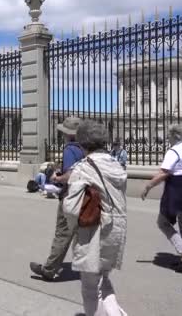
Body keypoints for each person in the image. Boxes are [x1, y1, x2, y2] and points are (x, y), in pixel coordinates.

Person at [61, 120, 128, 316]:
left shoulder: (83, 168)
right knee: (103, 280)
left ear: (82, 143)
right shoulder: (115, 163)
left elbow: (71, 209)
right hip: (117, 227)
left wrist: (74, 228)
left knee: (90, 288)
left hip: (94, 232)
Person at [142, 124, 182, 273]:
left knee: (162, 222)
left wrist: (148, 186)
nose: (168, 139)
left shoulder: (174, 151)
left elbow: (164, 172)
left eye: (169, 136)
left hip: (177, 191)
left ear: (174, 136)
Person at [30, 116, 84, 281]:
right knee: (83, 234)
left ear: (68, 134)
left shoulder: (69, 149)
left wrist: (56, 177)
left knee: (63, 233)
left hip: (70, 196)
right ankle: (89, 267)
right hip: (85, 195)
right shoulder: (86, 148)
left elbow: (70, 175)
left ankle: (49, 269)